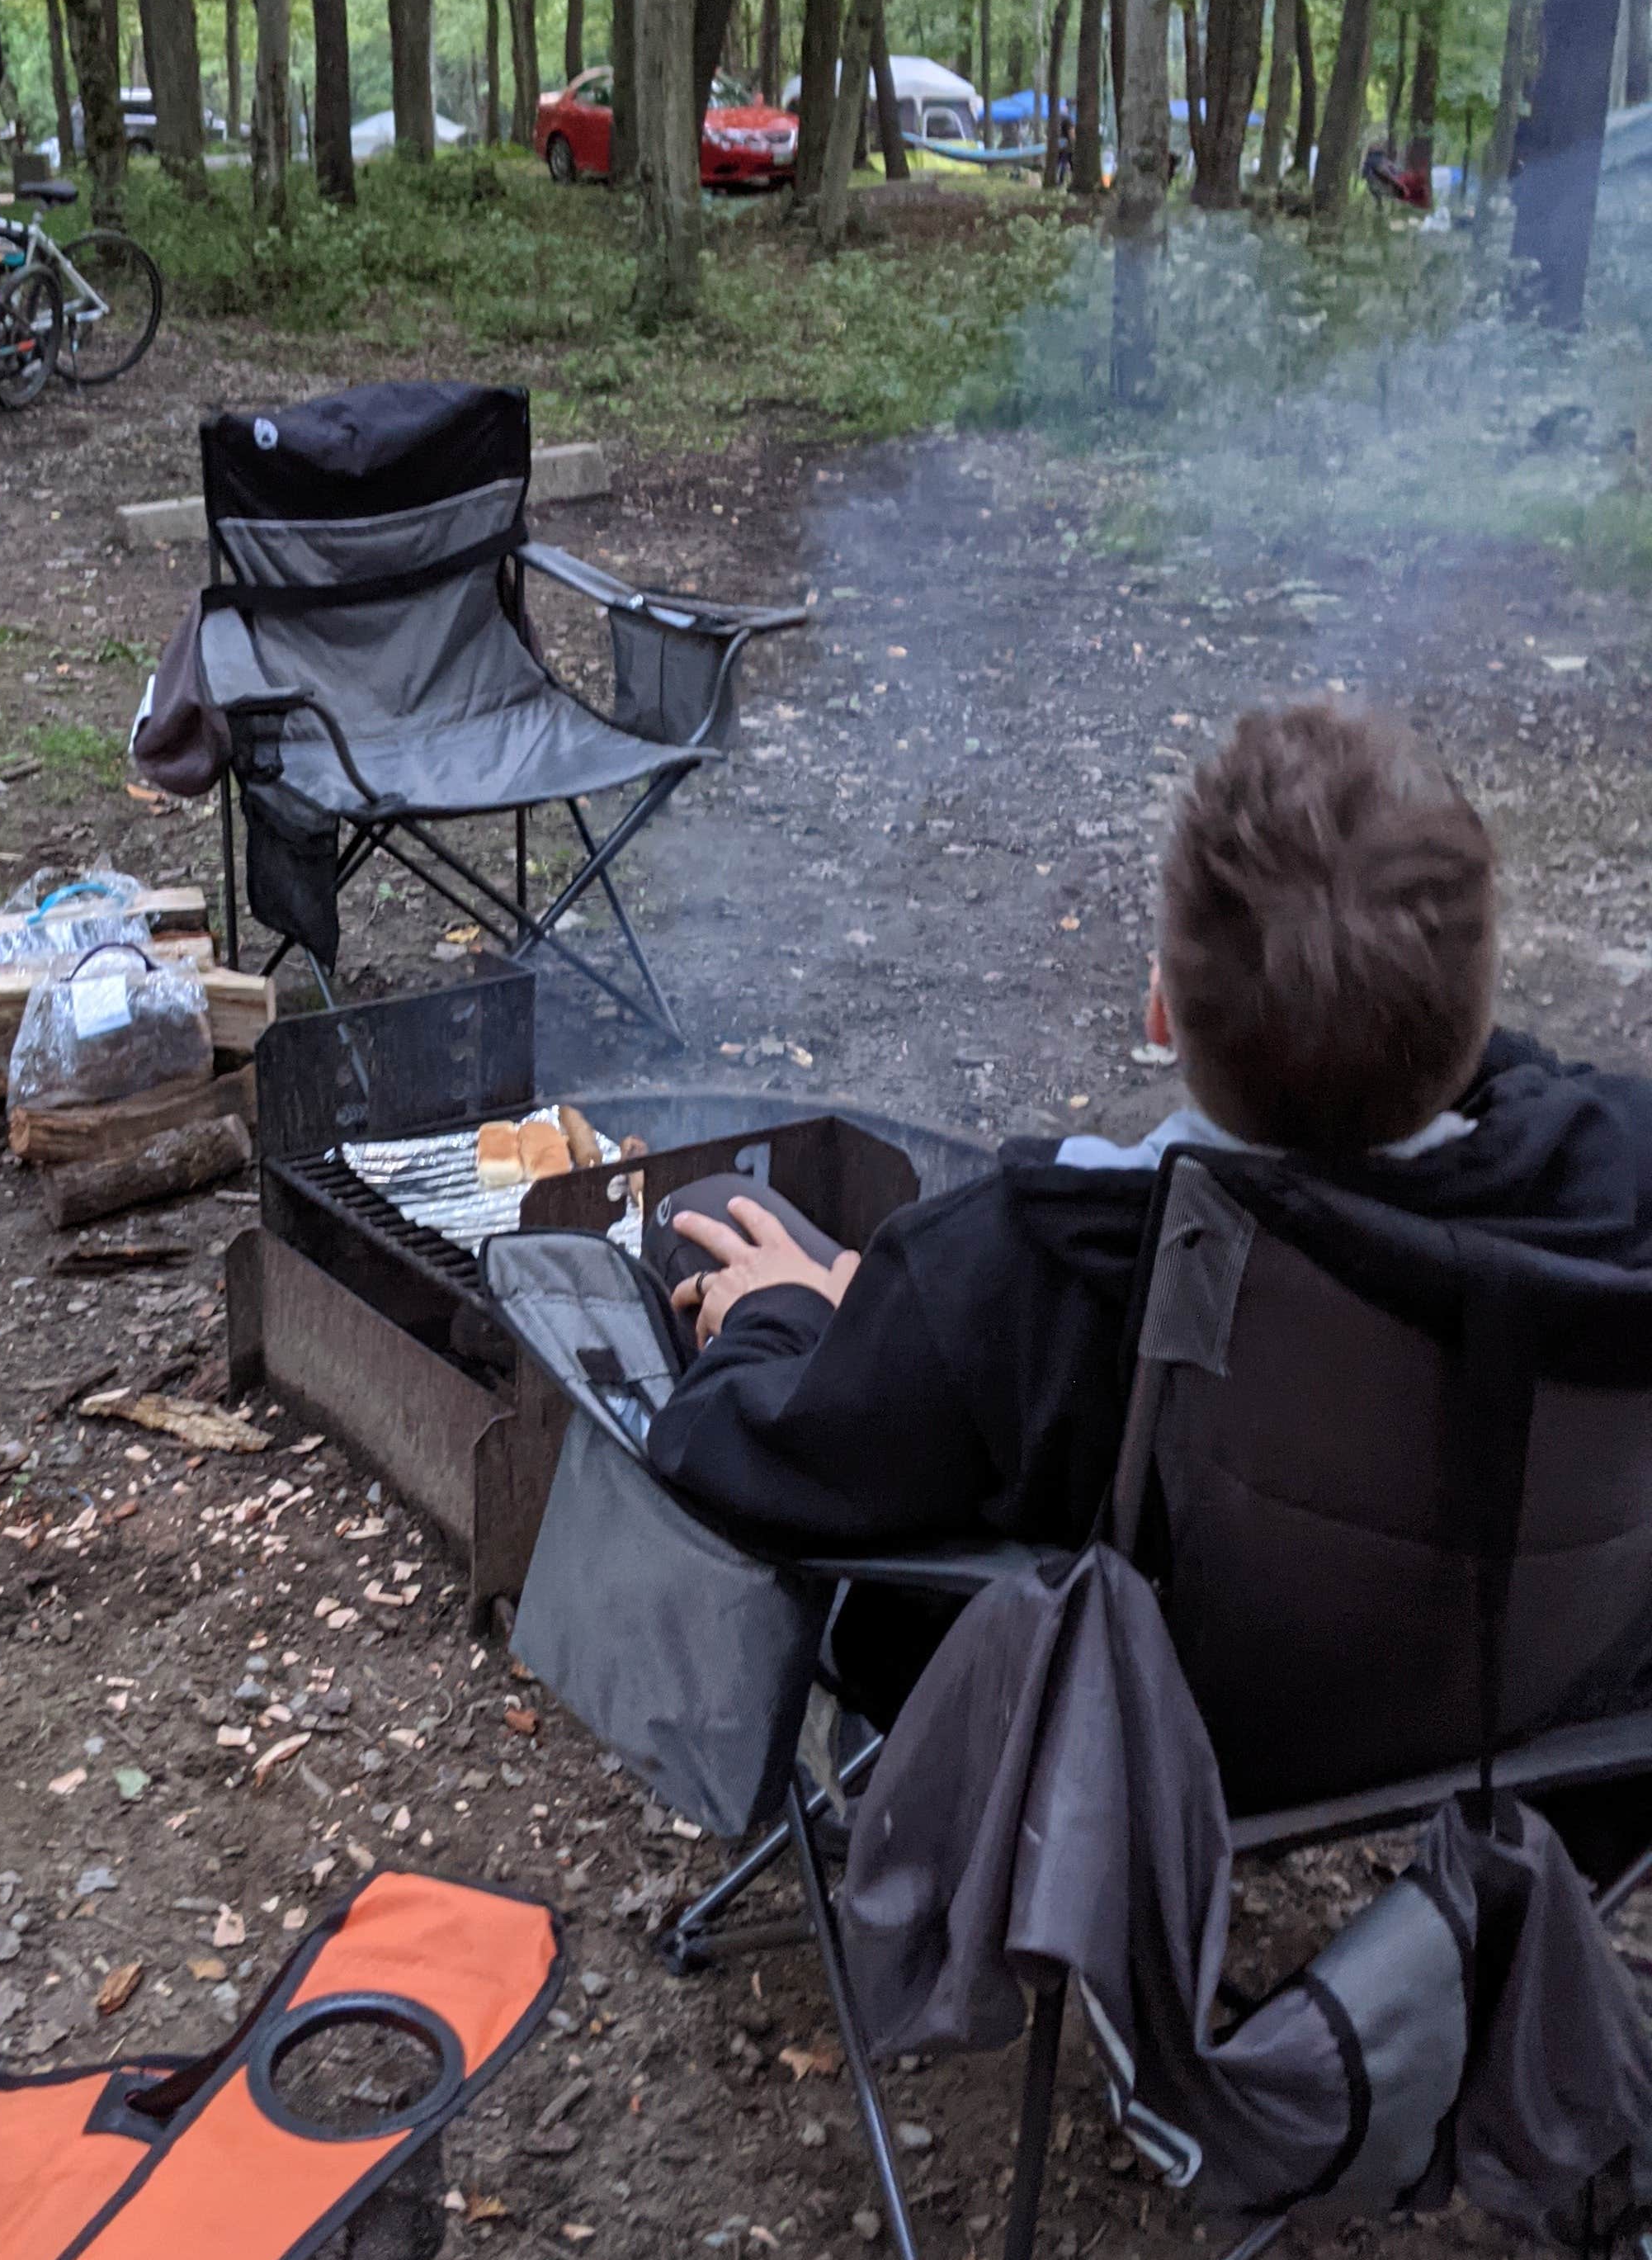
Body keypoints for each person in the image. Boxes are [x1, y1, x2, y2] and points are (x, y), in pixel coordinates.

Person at [645, 700, 1652, 1726]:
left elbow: (734, 1460)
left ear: (1160, 1010)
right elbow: (1534, 1089)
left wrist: (795, 1318)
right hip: (1528, 1683)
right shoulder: (1611, 1183)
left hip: (1168, 1730)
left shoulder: (1035, 1269)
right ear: (1480, 1010)